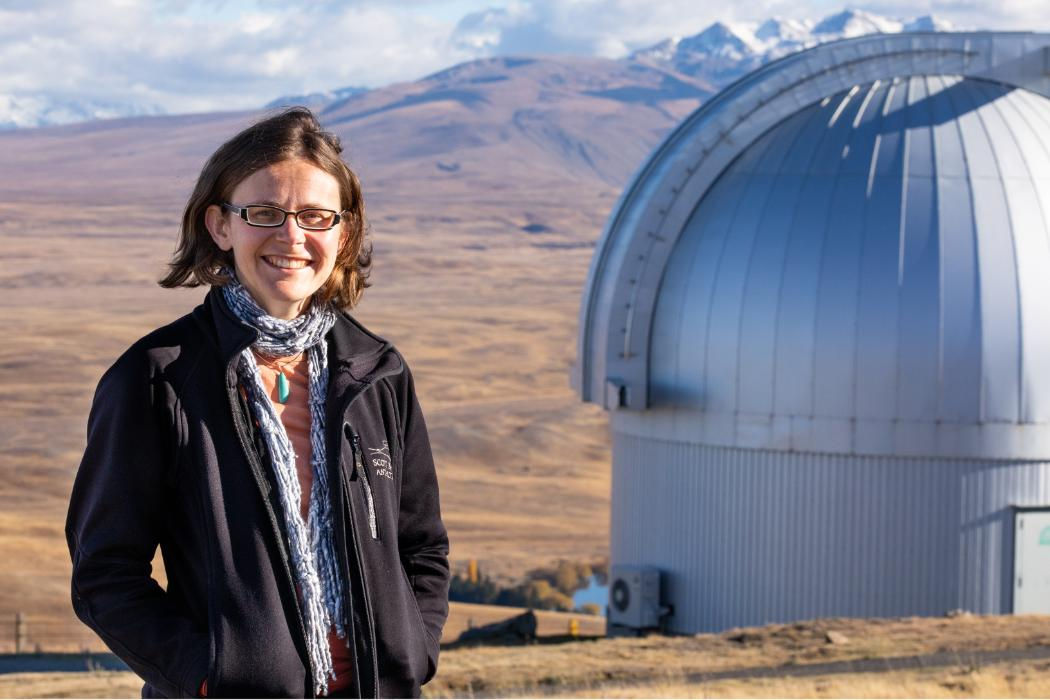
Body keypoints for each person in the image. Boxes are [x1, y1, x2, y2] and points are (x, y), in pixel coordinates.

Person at [65, 107, 450, 698]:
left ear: (342, 234)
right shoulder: (158, 380)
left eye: (315, 216)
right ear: (220, 226)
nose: (292, 237)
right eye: (264, 213)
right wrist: (210, 676)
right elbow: (105, 575)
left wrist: (413, 652)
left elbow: (420, 546)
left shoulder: (377, 373)